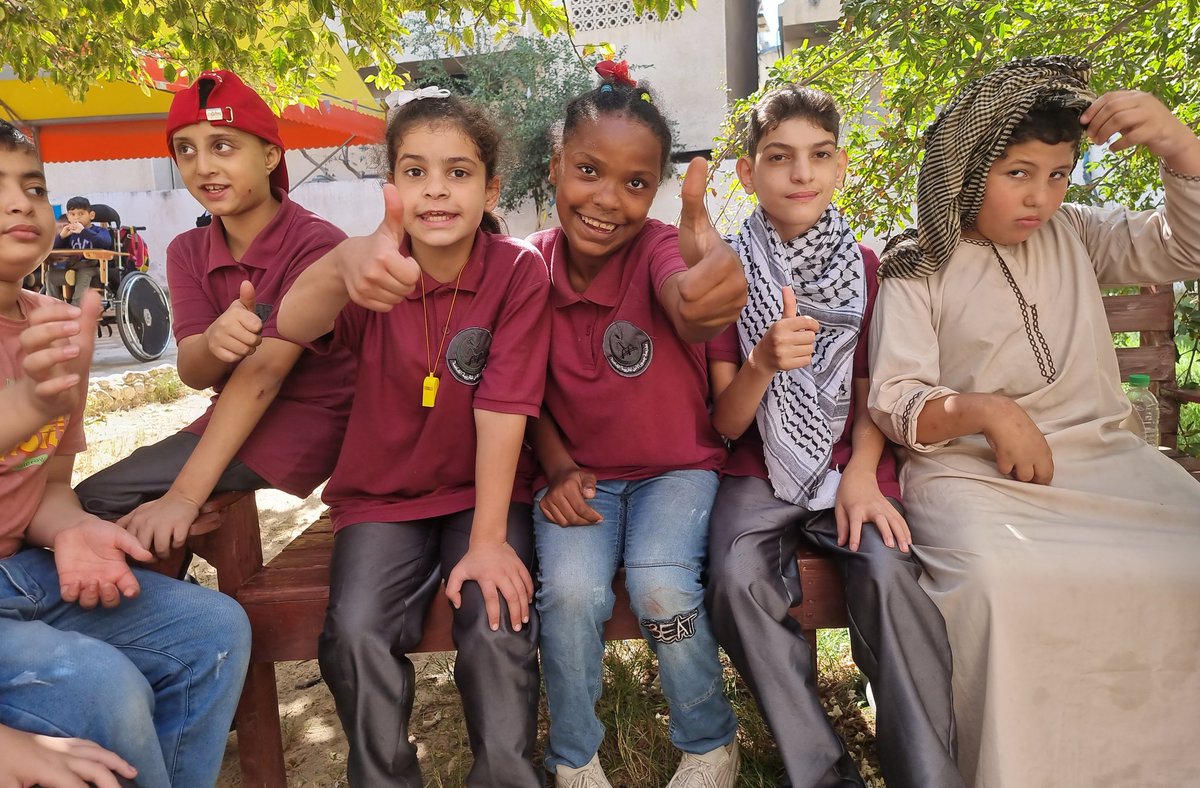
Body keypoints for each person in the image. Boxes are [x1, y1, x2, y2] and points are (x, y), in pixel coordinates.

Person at [868, 56, 1200, 787]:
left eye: (1058, 174)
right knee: (1004, 581)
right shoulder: (917, 262)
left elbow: (1186, 249)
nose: (1041, 198)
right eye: (1018, 173)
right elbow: (895, 398)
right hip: (968, 475)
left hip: (1109, 463)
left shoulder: (1079, 234)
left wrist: (1180, 146)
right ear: (968, 165)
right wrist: (985, 411)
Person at [277, 91, 549, 787]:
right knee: (355, 633)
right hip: (381, 499)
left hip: (481, 495)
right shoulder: (370, 267)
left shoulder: (518, 271)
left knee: (497, 620)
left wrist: (489, 541)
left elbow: (504, 408)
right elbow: (295, 321)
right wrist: (342, 267)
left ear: (491, 187)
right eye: (415, 171)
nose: (435, 190)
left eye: (458, 172)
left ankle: (508, 776)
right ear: (391, 185)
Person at [705, 86, 963, 788]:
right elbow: (726, 424)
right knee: (732, 576)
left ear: (841, 166)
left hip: (853, 460)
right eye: (779, 157)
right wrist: (762, 362)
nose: (801, 174)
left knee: (887, 568)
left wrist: (860, 474)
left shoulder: (866, 268)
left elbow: (873, 396)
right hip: (759, 465)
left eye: (819, 156)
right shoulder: (726, 274)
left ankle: (927, 776)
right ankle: (822, 772)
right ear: (746, 173)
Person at [0, 119, 250, 788]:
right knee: (102, 689)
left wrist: (77, 529)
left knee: (214, 631)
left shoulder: (54, 329)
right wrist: (23, 408)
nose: (19, 202)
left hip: (24, 573)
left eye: (32, 185)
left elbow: (47, 484)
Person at [530, 63, 747, 788]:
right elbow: (517, 396)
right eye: (589, 170)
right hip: (577, 477)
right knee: (570, 594)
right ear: (556, 165)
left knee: (659, 583)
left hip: (675, 469)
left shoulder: (656, 247)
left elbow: (685, 299)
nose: (607, 201)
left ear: (655, 191)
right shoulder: (528, 269)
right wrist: (557, 468)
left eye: (634, 183)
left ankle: (710, 738)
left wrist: (706, 286)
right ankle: (575, 755)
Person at [74, 70, 355, 559]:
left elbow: (263, 377)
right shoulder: (188, 249)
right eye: (186, 150)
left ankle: (170, 623)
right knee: (115, 503)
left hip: (313, 420)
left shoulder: (316, 243)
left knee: (100, 498)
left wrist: (183, 496)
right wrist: (212, 343)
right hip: (229, 414)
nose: (203, 167)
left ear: (270, 155)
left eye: (223, 146)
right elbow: (192, 373)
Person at [45, 195, 113, 306]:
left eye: (81, 214)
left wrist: (84, 232)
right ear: (68, 217)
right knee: (50, 274)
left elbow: (105, 242)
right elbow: (54, 249)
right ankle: (55, 305)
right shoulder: (70, 233)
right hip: (73, 266)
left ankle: (76, 306)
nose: (76, 218)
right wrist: (62, 236)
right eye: (72, 214)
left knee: (84, 273)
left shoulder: (99, 231)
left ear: (91, 215)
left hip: (95, 268)